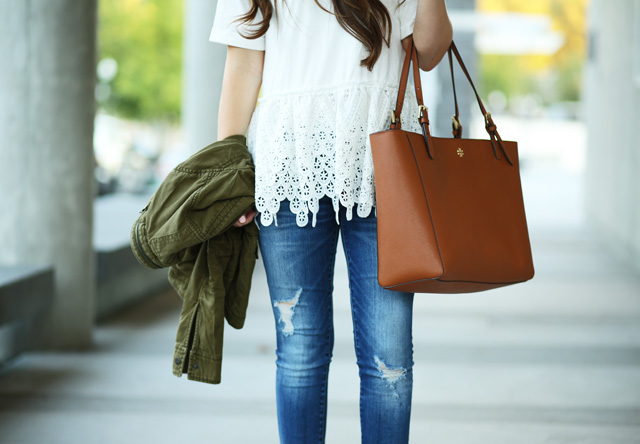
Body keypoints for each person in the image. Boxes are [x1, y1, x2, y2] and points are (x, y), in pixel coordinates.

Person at [210, 1, 452, 443]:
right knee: (300, 352)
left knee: (389, 358)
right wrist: (230, 176)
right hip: (289, 161)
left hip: (384, 169)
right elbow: (243, 68)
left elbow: (430, 52)